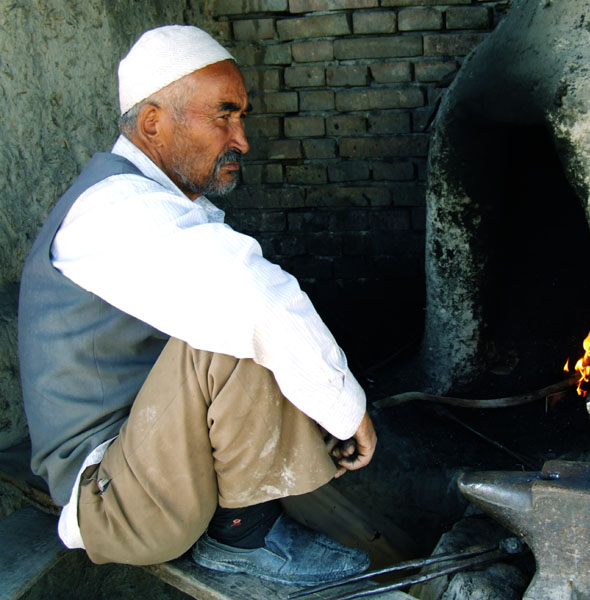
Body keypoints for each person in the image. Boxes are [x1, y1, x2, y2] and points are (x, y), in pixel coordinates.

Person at [17, 25, 377, 586]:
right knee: (235, 331)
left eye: (243, 117)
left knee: (252, 329)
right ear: (153, 122)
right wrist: (348, 412)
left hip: (149, 457)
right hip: (112, 499)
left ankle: (258, 510)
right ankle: (241, 537)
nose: (242, 140)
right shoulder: (115, 210)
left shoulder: (147, 199)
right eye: (224, 115)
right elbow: (262, 304)